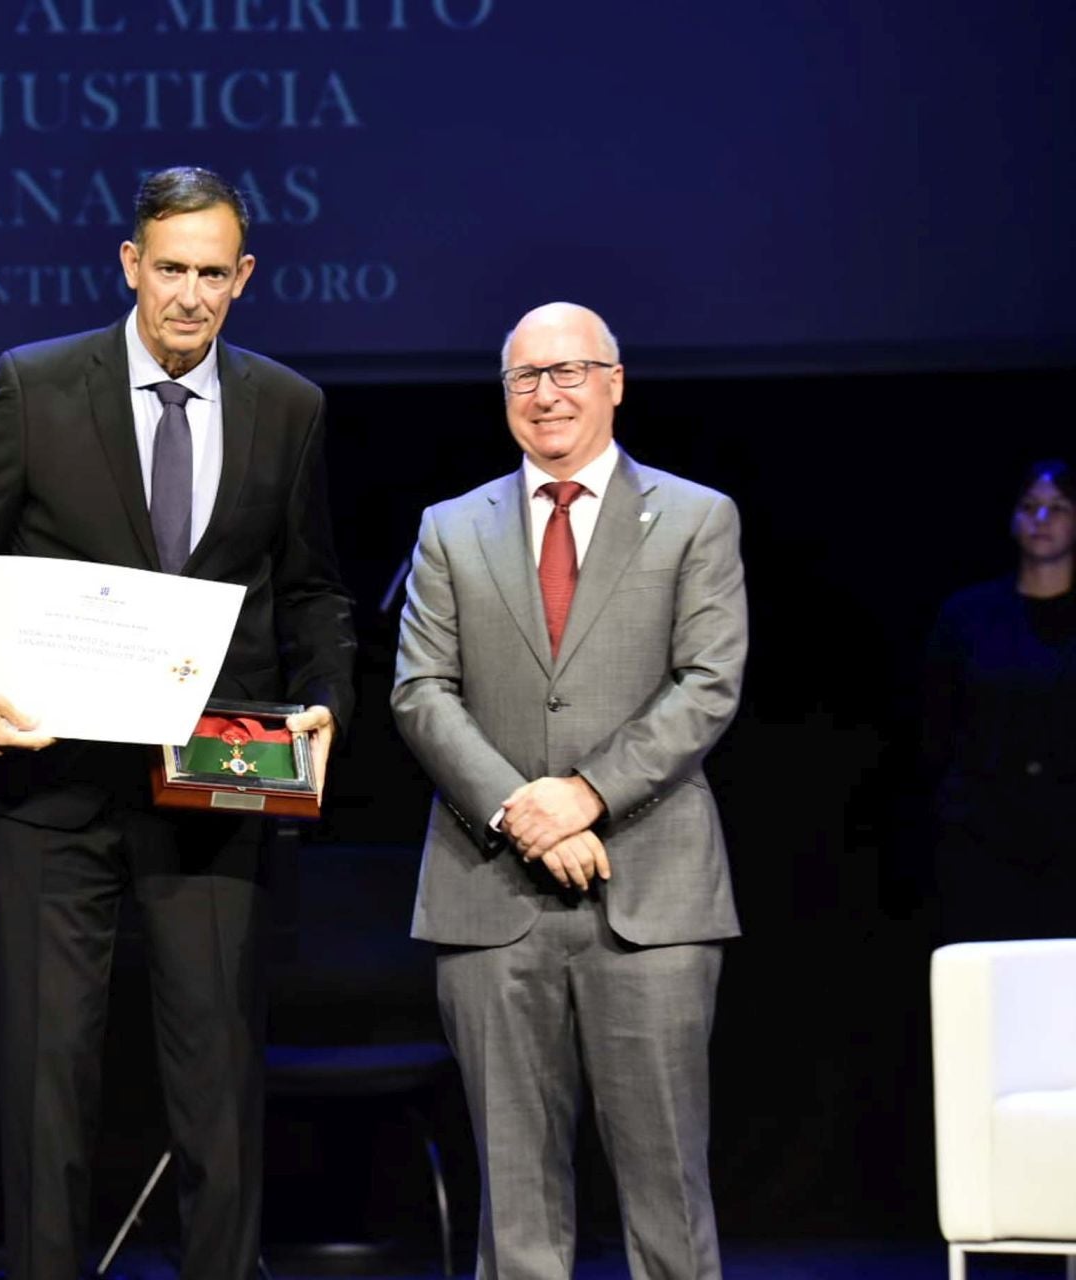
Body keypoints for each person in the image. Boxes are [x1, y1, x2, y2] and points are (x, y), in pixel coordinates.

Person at [0, 166, 356, 1280]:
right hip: (48, 789)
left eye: (212, 273)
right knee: (49, 1078)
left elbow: (314, 589)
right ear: (129, 265)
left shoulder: (289, 406)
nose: (188, 295)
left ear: (242, 278)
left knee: (218, 1080)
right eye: (170, 269)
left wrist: (328, 698)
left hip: (211, 782)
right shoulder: (39, 385)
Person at [391, 302, 747, 1280]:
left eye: (570, 371)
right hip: (489, 893)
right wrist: (524, 811)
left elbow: (709, 682)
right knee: (517, 1204)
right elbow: (420, 692)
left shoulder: (693, 516)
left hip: (655, 895)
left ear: (615, 381)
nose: (547, 394)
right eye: (524, 377)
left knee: (668, 1189)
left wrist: (584, 794)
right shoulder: (451, 529)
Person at [922, 459, 1076, 942]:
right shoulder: (969, 615)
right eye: (1030, 507)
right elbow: (937, 720)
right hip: (986, 836)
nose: (1042, 520)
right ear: (1012, 518)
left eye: (1058, 508)